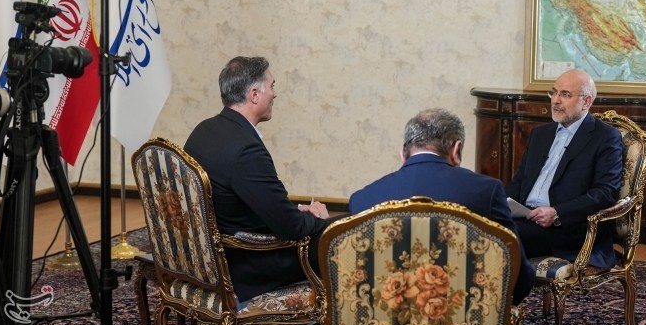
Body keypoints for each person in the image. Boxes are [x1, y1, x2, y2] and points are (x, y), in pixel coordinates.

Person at [183, 56, 331, 308]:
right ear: (254, 94)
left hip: (206, 258)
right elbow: (292, 229)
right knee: (338, 235)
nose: (275, 94)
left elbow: (239, 198)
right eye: (272, 86)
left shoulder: (203, 131)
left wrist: (292, 211)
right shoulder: (246, 149)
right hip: (244, 266)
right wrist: (317, 218)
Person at [349, 108, 535, 303]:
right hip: (466, 315)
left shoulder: (362, 200)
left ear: (403, 153)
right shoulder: (487, 191)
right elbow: (517, 274)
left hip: (385, 316)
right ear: (456, 149)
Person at [505, 68, 623, 268]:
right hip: (526, 217)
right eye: (554, 92)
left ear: (586, 102)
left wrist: (557, 213)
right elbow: (519, 182)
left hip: (567, 228)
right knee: (478, 223)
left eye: (565, 94)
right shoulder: (540, 134)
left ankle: (505, 295)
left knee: (502, 235)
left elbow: (605, 193)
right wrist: (500, 203)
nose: (555, 100)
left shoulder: (605, 137)